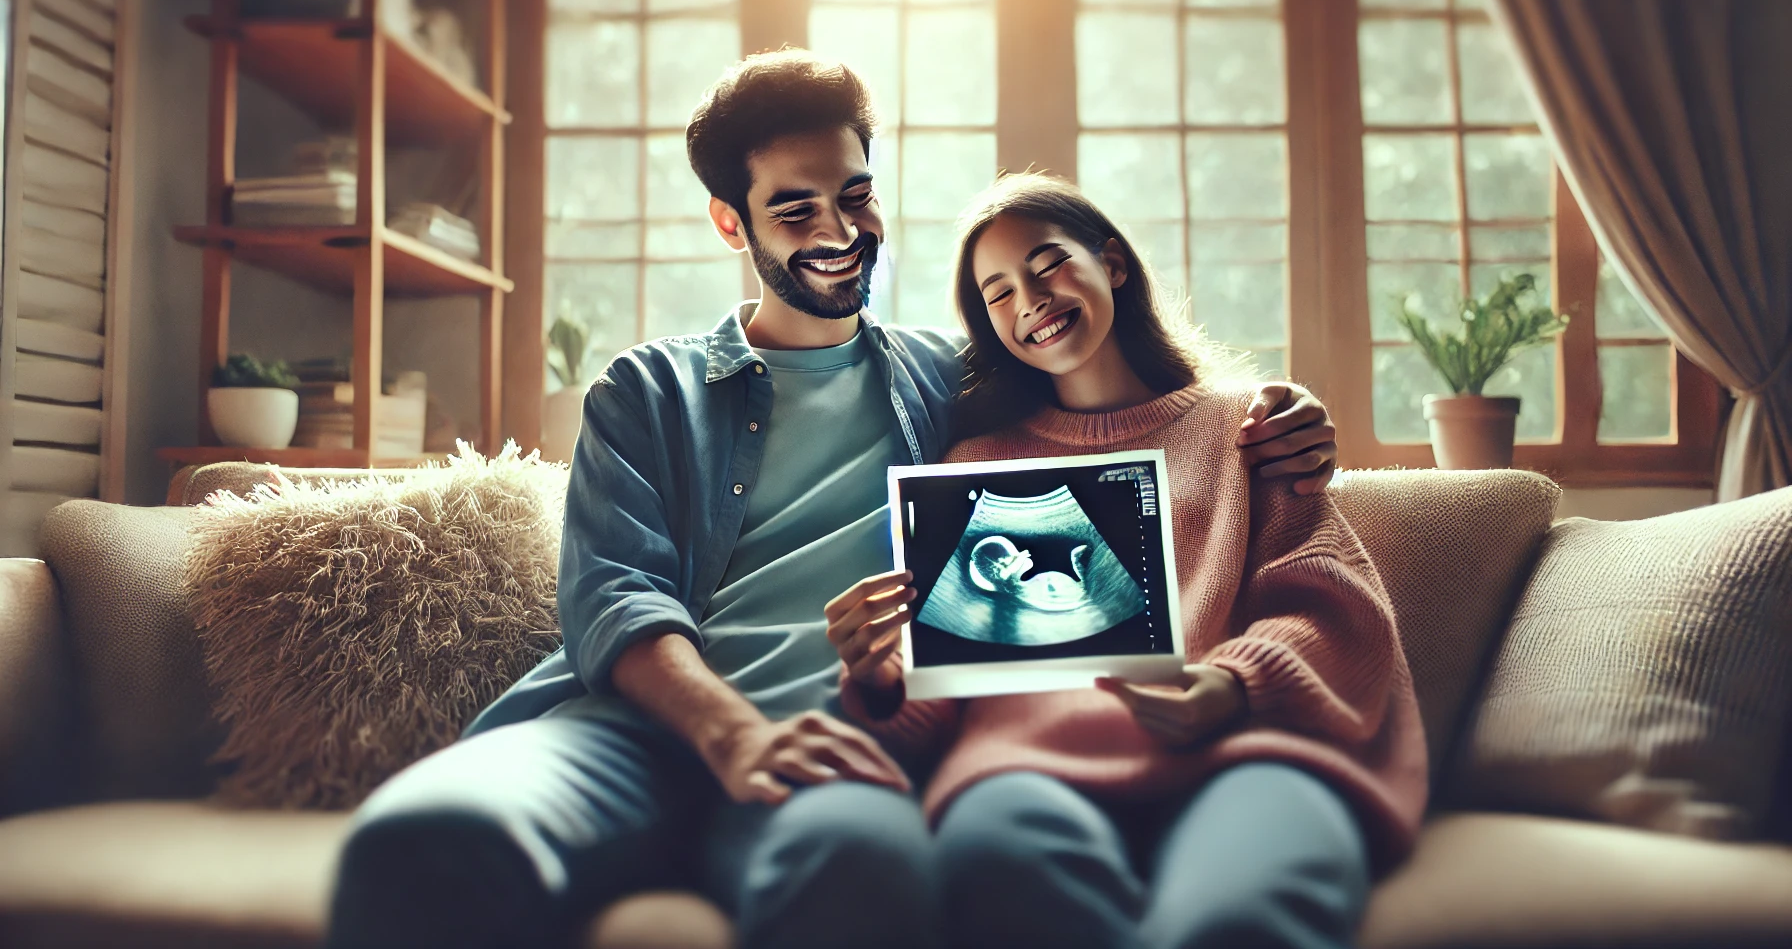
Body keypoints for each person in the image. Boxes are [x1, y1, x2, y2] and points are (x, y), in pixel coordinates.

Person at [326, 51, 1342, 949]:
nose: (837, 232)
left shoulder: (958, 382)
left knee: (866, 868)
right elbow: (613, 597)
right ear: (731, 220)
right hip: (627, 736)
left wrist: (1276, 417)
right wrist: (730, 733)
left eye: (854, 196)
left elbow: (1117, 400)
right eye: (795, 209)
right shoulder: (646, 390)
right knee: (422, 838)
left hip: (840, 747)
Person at [826, 174, 1427, 949]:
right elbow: (944, 688)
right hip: (1024, 772)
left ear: (1111, 262)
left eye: (1046, 264)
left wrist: (1230, 685)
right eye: (999, 293)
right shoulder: (975, 464)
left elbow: (1331, 605)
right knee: (993, 861)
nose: (1030, 300)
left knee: (1234, 923)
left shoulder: (1246, 430)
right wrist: (878, 677)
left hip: (1243, 758)